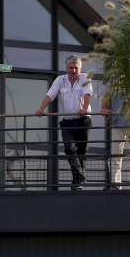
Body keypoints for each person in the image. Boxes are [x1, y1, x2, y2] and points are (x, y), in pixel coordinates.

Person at [34, 56, 93, 190]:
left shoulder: (85, 78)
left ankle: (77, 181)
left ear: (80, 68)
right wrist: (41, 109)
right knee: (69, 149)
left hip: (83, 120)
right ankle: (80, 179)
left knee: (82, 151)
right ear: (66, 68)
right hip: (67, 122)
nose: (73, 70)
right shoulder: (60, 80)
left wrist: (84, 108)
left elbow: (87, 93)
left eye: (76, 68)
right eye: (70, 68)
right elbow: (50, 94)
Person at [101, 84, 130, 190]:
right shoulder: (111, 82)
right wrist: (104, 109)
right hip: (117, 122)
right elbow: (105, 98)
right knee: (116, 152)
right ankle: (115, 183)